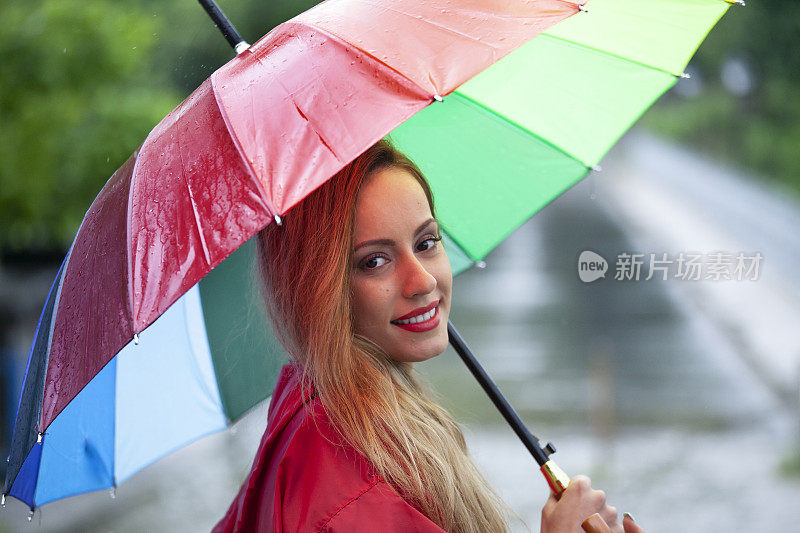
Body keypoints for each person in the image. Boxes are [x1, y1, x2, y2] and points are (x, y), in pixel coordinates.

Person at [213, 140, 644, 533]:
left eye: (426, 242)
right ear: (316, 289)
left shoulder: (315, 413)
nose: (421, 281)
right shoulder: (348, 478)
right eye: (374, 261)